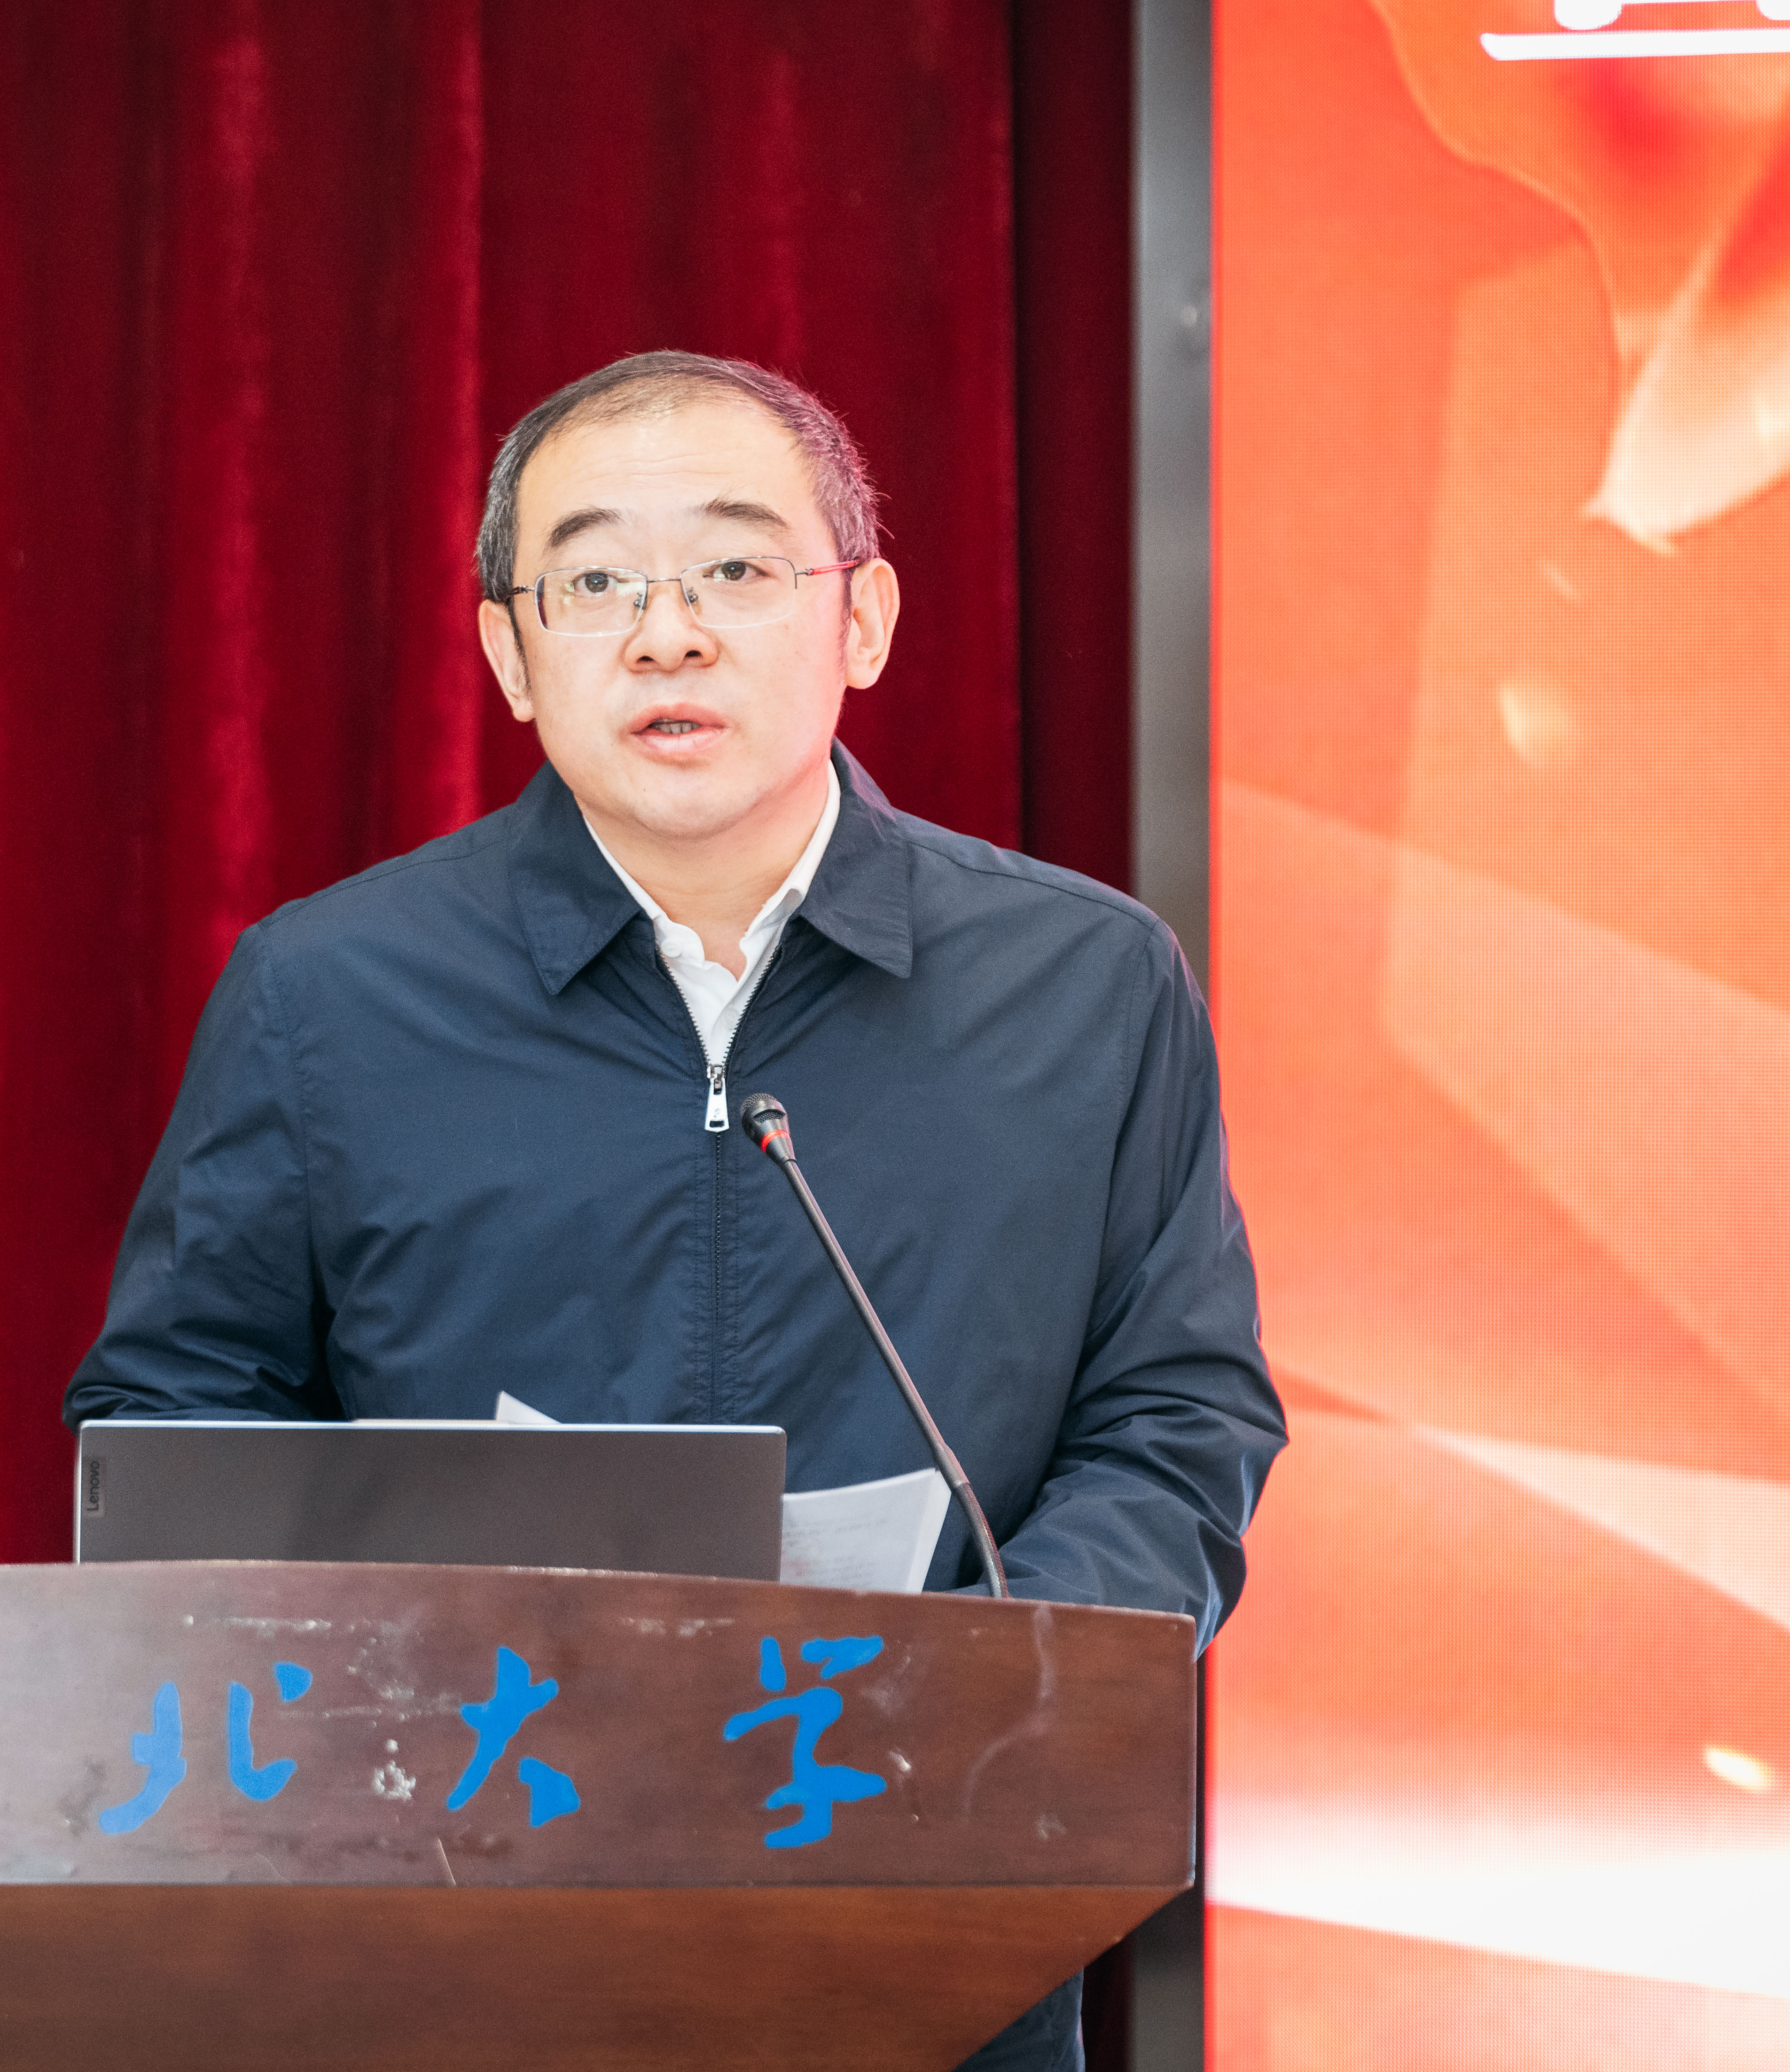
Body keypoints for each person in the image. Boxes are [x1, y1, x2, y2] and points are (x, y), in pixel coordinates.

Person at [64, 350, 1284, 2072]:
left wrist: (994, 1678)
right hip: (452, 1919)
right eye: (594, 582)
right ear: (512, 656)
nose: (668, 633)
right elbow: (174, 1413)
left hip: (931, 1908)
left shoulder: (1088, 983)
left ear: (864, 620)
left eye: (734, 566)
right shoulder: (329, 993)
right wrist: (386, 1688)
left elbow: (1178, 1412)